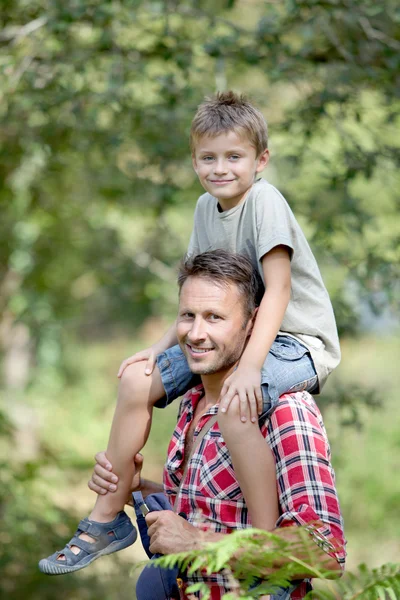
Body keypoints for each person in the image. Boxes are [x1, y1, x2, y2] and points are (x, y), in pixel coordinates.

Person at [39, 92, 341, 575]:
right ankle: (106, 516)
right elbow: (199, 294)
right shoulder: (205, 208)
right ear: (194, 160)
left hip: (293, 343)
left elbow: (278, 292)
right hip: (234, 334)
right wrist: (157, 348)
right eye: (208, 157)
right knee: (138, 379)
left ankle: (258, 549)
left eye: (234, 157)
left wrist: (249, 367)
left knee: (237, 406)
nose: (220, 169)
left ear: (260, 159)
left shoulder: (265, 201)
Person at [89, 250, 346, 600]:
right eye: (188, 316)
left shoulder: (286, 410)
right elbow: (206, 511)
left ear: (252, 323)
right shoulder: (191, 402)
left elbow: (324, 551)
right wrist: (136, 490)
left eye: (214, 317)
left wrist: (198, 543)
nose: (196, 333)